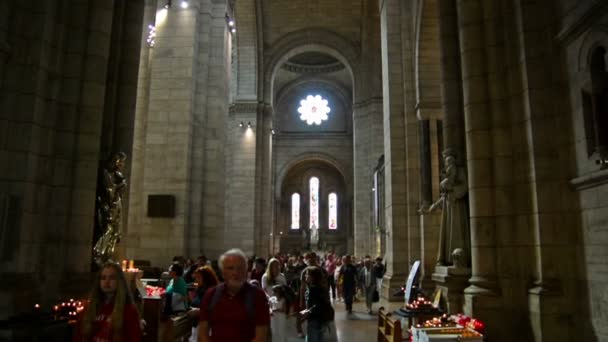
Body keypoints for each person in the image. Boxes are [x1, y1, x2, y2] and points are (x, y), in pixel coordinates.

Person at [198, 248, 270, 342]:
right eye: (230, 268)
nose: (235, 273)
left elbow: (261, 337)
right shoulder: (211, 295)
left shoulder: (258, 296)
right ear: (223, 273)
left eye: (240, 268)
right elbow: (202, 333)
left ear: (246, 272)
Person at [420, 151, 471, 266]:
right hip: (449, 208)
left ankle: (460, 259)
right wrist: (435, 205)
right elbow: (444, 195)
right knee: (448, 235)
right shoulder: (448, 176)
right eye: (446, 162)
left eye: (449, 161)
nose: (448, 165)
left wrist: (453, 190)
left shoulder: (460, 172)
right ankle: (448, 258)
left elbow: (464, 187)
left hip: (457, 207)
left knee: (457, 233)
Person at [73, 262, 141, 341]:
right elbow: (78, 336)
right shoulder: (89, 308)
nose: (107, 281)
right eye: (103, 278)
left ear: (119, 281)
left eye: (112, 278)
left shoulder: (128, 310)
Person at [300, 266, 336, 342]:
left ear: (313, 277)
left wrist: (307, 312)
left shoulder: (313, 290)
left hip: (314, 320)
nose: (305, 276)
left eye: (307, 274)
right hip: (321, 320)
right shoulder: (320, 288)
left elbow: (316, 306)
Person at [188, 266, 219, 342]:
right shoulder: (200, 290)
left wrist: (198, 311)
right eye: (196, 277)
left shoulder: (212, 292)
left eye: (198, 277)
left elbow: (215, 310)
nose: (196, 280)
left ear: (206, 278)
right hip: (197, 326)